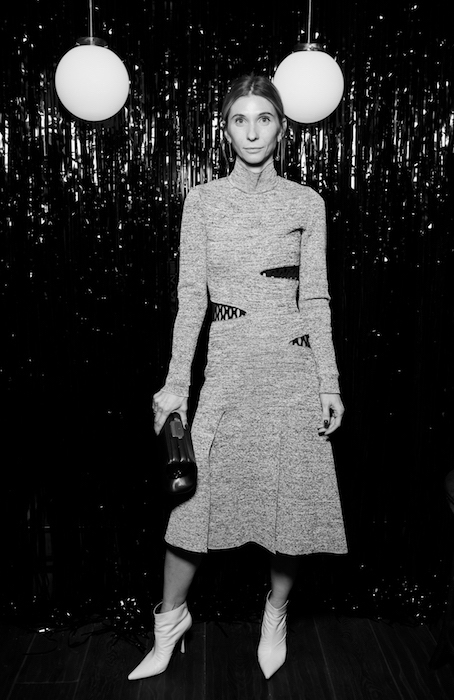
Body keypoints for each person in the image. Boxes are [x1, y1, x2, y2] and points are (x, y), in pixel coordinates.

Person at [128, 73, 347, 682]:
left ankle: (275, 613)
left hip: (292, 365)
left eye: (264, 118)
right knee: (191, 508)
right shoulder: (202, 201)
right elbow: (190, 301)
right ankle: (169, 624)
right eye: (239, 120)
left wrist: (328, 382)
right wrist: (177, 383)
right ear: (225, 130)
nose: (252, 132)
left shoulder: (305, 202)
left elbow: (317, 299)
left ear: (281, 127)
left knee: (291, 502)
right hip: (227, 365)